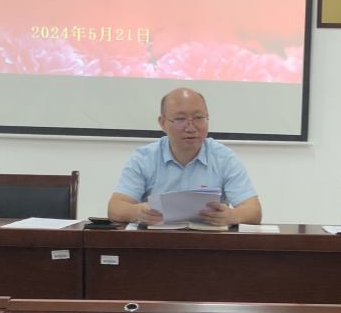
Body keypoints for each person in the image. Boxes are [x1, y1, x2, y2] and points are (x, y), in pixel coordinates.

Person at [107, 87, 261, 226]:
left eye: (199, 118)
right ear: (162, 123)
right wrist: (138, 212)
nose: (191, 128)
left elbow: (254, 211)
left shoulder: (224, 159)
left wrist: (231, 216)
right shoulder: (143, 158)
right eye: (180, 120)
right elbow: (115, 207)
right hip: (156, 242)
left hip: (209, 243)